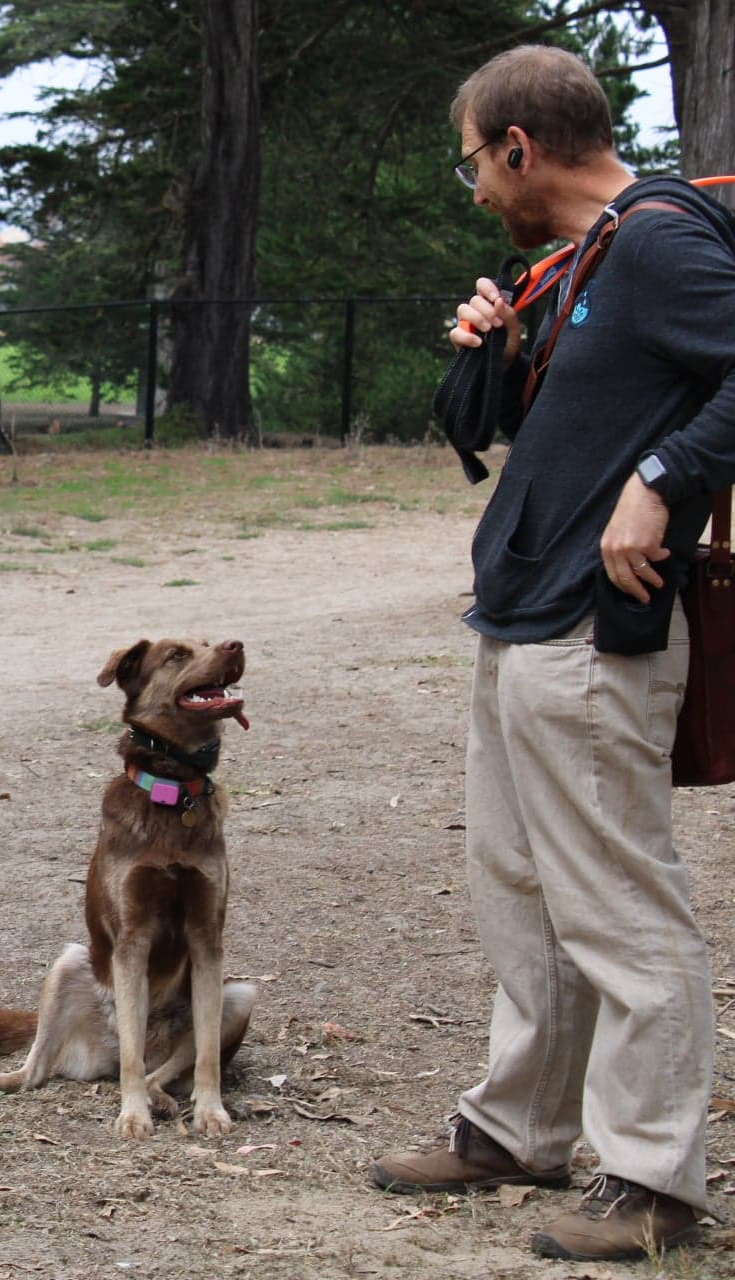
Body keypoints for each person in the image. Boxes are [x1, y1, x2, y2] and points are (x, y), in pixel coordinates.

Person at [369, 44, 735, 1262]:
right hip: (525, 614)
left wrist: (665, 479)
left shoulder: (665, 240)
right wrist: (482, 349)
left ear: (519, 148)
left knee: (622, 909)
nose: (473, 186)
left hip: (597, 628)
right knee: (523, 892)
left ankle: (652, 1180)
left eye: (474, 161)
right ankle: (517, 1127)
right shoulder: (582, 262)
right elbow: (488, 428)